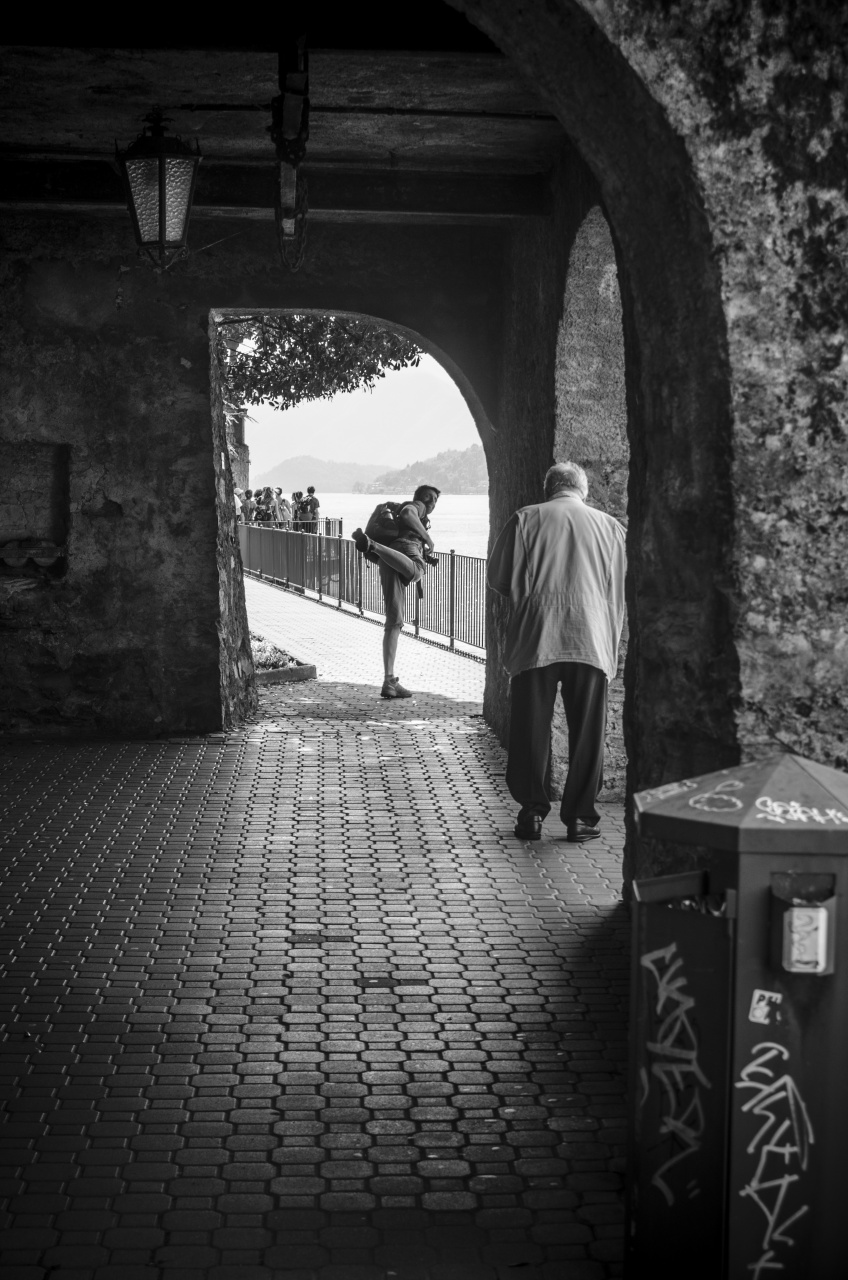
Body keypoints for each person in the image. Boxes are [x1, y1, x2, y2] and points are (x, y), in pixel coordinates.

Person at [487, 462, 626, 844]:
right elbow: (619, 585)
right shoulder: (610, 527)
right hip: (590, 638)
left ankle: (532, 813)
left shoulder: (525, 519)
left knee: (530, 728)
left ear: (549, 487)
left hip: (538, 636)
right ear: (583, 489)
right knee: (588, 732)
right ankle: (580, 818)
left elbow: (499, 579)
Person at [351, 485, 441, 699]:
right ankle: (372, 545)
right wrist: (428, 539)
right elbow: (408, 513)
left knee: (394, 621)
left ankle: (389, 681)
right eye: (428, 497)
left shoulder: (413, 514)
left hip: (389, 557)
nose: (431, 503)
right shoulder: (416, 506)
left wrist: (425, 551)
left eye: (434, 500)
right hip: (403, 549)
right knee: (417, 571)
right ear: (419, 497)